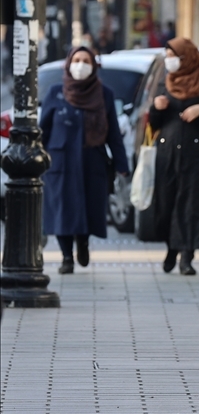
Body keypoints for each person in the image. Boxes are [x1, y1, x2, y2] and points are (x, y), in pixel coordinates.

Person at [41, 46, 129, 274]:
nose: (80, 65)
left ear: (94, 66)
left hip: (93, 161)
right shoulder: (55, 93)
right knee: (63, 209)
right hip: (61, 162)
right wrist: (39, 159)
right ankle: (66, 257)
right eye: (76, 60)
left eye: (86, 61)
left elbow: (113, 133)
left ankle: (83, 243)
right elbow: (44, 130)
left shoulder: (104, 94)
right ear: (69, 64)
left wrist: (122, 165)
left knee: (89, 208)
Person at [148, 37, 199, 275]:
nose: (169, 61)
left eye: (174, 56)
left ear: (187, 57)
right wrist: (155, 108)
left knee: (192, 204)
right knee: (167, 202)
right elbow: (153, 123)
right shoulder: (165, 83)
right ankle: (171, 248)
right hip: (167, 153)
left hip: (196, 154)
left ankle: (187, 256)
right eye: (167, 56)